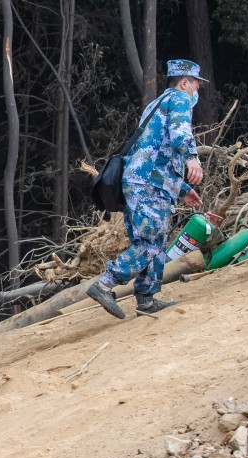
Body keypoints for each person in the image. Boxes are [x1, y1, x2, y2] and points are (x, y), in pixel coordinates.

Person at [87, 59, 205, 318]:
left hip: (146, 181)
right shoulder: (179, 99)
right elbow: (179, 133)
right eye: (196, 84)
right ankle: (104, 284)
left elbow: (155, 152)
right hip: (148, 184)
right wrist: (191, 157)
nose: (198, 89)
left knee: (156, 241)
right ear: (185, 82)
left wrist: (182, 188)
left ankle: (147, 298)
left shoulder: (155, 104)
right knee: (150, 242)